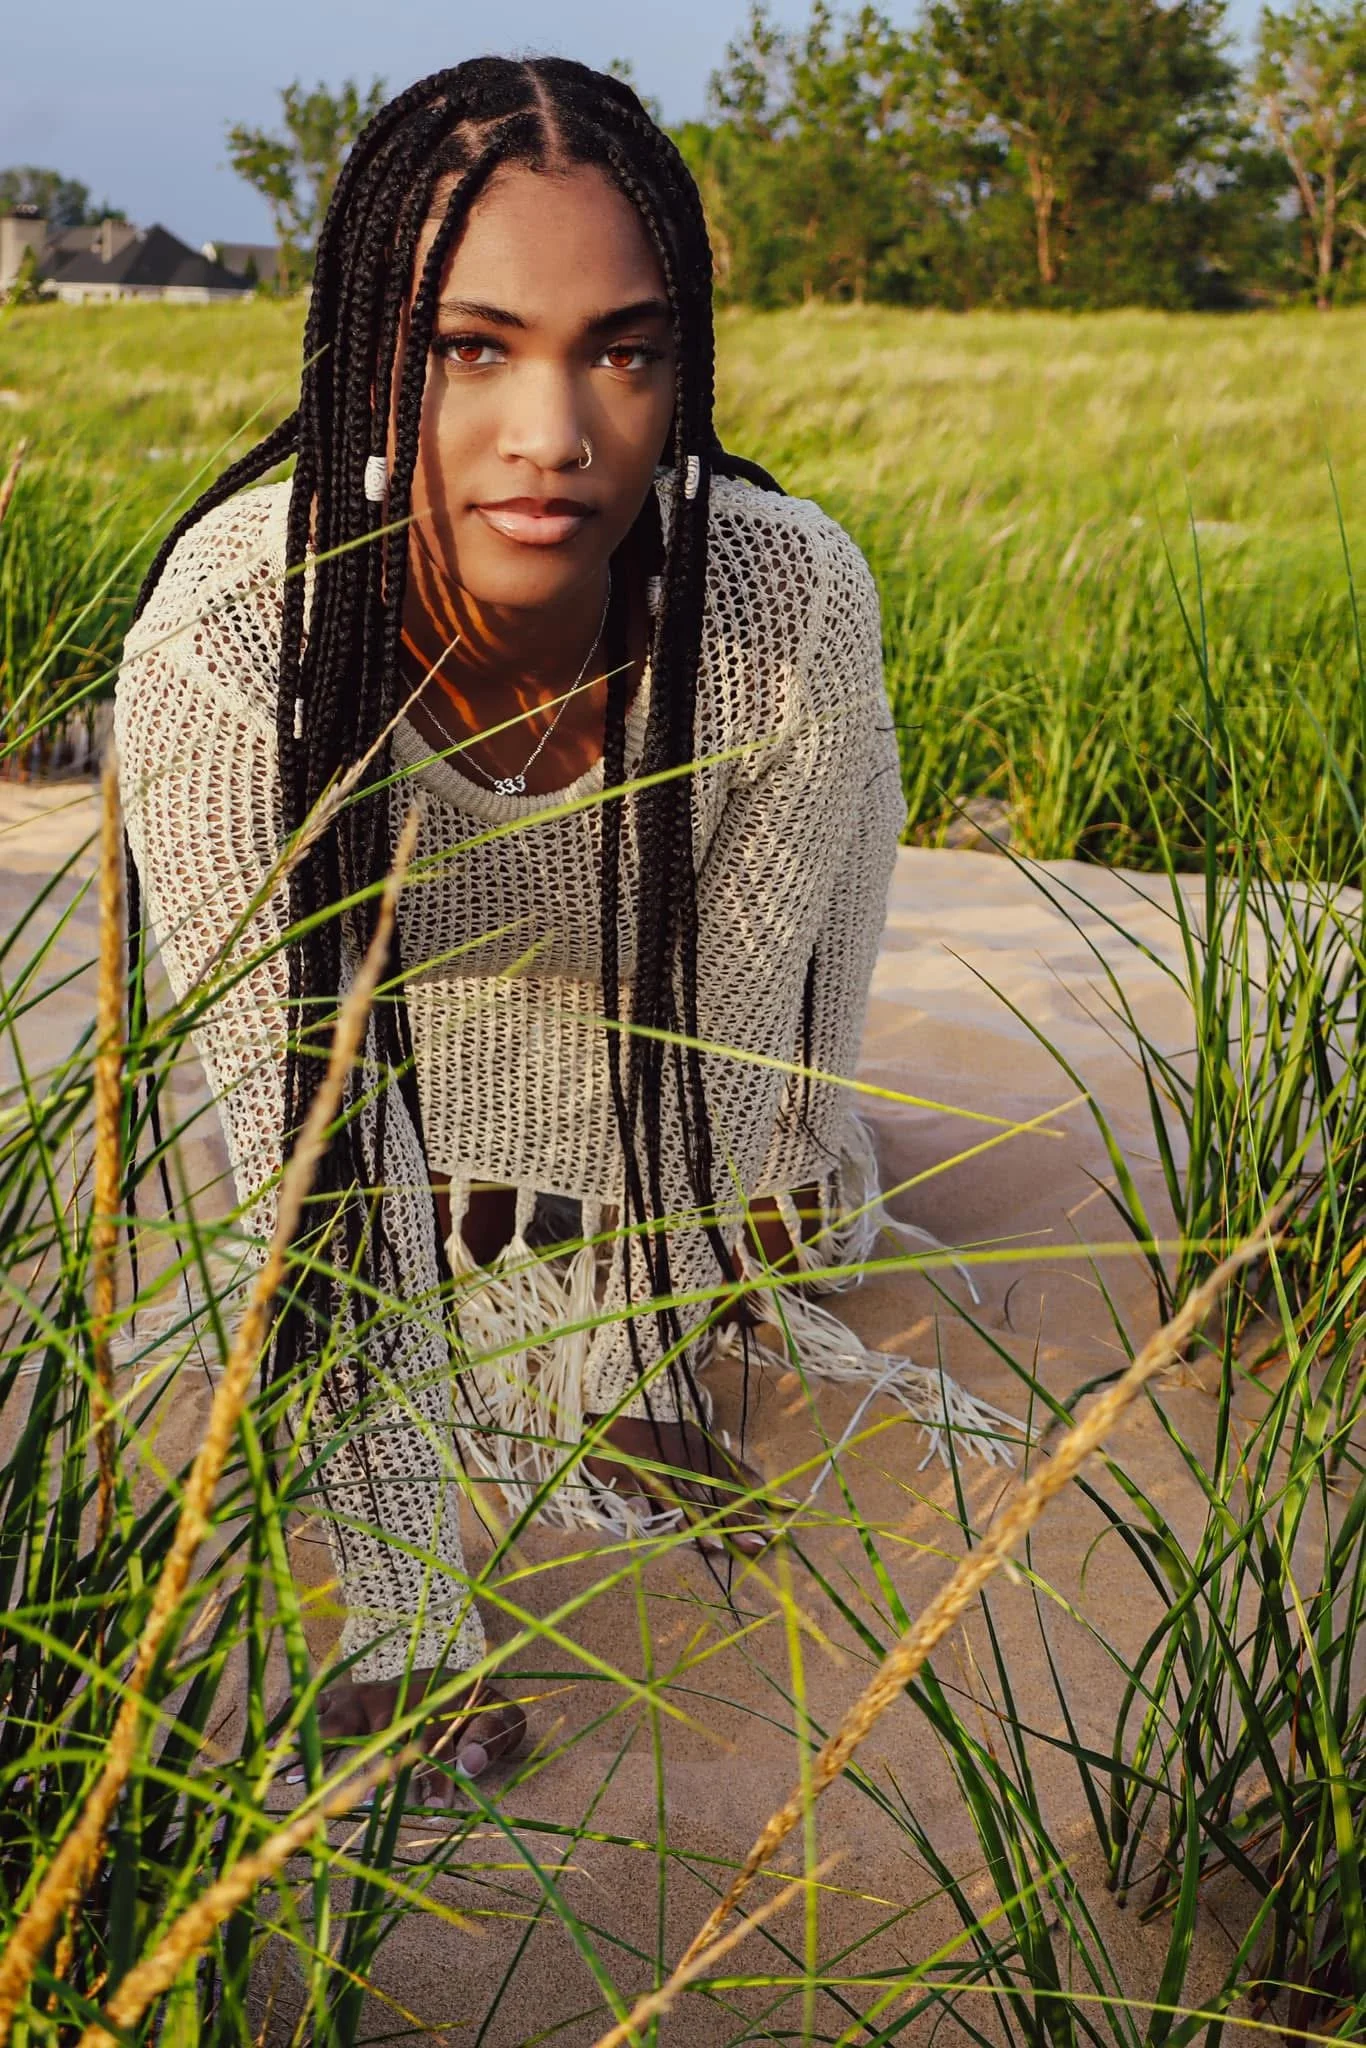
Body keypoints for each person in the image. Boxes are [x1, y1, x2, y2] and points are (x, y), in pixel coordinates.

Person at [116, 56, 1015, 1795]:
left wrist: (633, 1339)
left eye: (622, 348)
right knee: (360, 1228)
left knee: (787, 1189)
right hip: (402, 1042)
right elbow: (302, 1167)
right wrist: (404, 1621)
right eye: (474, 349)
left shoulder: (777, 601)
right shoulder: (233, 660)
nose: (556, 433)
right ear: (378, 363)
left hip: (690, 1031)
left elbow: (730, 1034)